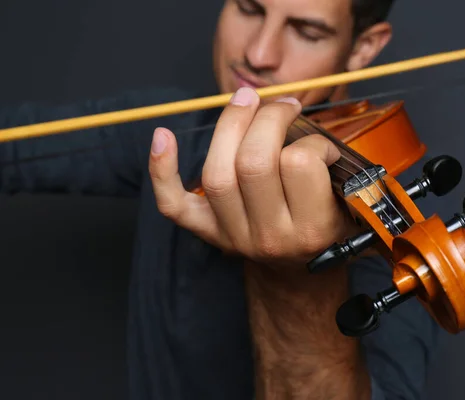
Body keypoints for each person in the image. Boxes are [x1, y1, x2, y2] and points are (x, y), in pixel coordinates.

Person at [1, 0, 440, 399]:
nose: (258, 54)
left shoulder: (380, 207)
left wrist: (294, 279)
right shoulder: (176, 128)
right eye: (249, 8)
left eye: (307, 32)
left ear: (363, 48)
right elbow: (15, 147)